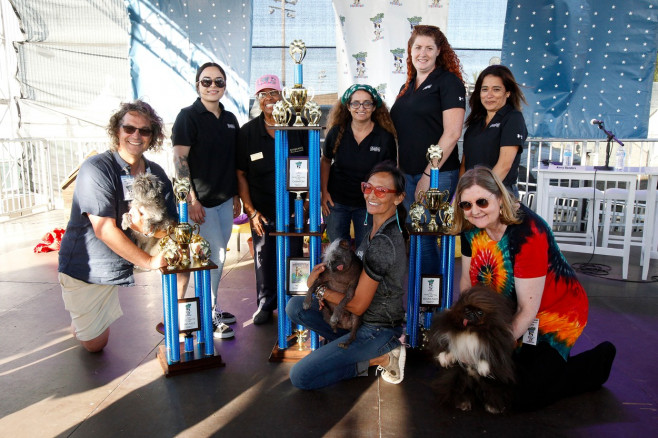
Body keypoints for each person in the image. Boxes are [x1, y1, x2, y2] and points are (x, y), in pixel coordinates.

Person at [451, 167, 616, 410]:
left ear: (499, 197)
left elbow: (528, 308)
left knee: (524, 395)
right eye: (466, 205)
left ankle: (596, 363)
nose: (474, 211)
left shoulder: (528, 232)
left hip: (553, 311)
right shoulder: (471, 228)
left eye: (482, 201)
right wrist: (465, 331)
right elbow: (467, 284)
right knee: (483, 379)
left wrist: (489, 348)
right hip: (506, 308)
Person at [58, 100, 177, 353]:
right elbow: (103, 229)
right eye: (129, 128)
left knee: (182, 255)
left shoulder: (156, 172)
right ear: (117, 131)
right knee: (95, 345)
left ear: (152, 137)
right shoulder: (96, 168)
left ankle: (175, 318)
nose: (136, 135)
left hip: (138, 246)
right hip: (92, 263)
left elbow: (171, 226)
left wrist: (148, 231)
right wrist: (149, 261)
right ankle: (79, 323)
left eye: (144, 131)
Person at [286, 161, 408, 390]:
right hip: (358, 321)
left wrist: (319, 289)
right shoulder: (374, 228)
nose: (372, 195)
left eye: (381, 190)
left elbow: (359, 306)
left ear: (398, 198)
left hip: (376, 328)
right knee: (295, 306)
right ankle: (345, 348)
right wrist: (325, 280)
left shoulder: (385, 241)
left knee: (301, 377)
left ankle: (381, 357)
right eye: (368, 187)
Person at [172, 61, 241, 339]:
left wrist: (235, 195)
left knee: (219, 257)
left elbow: (233, 160)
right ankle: (207, 314)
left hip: (225, 201)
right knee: (213, 258)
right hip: (200, 205)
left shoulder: (230, 118)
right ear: (197, 84)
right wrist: (191, 200)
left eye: (219, 81)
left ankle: (210, 306)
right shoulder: (187, 116)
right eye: (207, 81)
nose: (213, 86)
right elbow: (179, 160)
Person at [389, 24, 466, 274]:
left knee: (425, 234)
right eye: (418, 47)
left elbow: (452, 133)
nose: (422, 53)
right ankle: (420, 301)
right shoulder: (407, 86)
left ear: (438, 51)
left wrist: (427, 175)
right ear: (410, 51)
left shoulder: (448, 82)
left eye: (429, 48)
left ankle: (429, 305)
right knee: (416, 233)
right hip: (407, 174)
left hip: (436, 175)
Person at [237, 74, 307, 324]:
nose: (269, 99)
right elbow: (241, 175)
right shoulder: (247, 133)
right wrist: (251, 211)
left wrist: (306, 203)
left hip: (294, 207)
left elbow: (311, 166)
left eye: (274, 93)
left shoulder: (299, 128)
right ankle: (266, 304)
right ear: (258, 99)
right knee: (263, 257)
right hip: (262, 210)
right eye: (264, 94)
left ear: (283, 96)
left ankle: (296, 304)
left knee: (295, 256)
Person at [321, 84, 397, 248]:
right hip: (337, 203)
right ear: (348, 106)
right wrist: (324, 192)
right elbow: (325, 161)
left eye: (366, 103)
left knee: (366, 250)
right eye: (355, 103)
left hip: (369, 203)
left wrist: (384, 201)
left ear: (374, 106)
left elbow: (390, 174)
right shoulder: (336, 132)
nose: (361, 108)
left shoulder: (384, 137)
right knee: (338, 251)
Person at [461, 65, 528, 198]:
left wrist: (481, 194)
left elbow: (504, 165)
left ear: (507, 93)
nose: (489, 95)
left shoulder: (513, 118)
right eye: (484, 89)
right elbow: (464, 163)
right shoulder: (475, 122)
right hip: (471, 195)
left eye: (496, 90)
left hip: (500, 193)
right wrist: (461, 191)